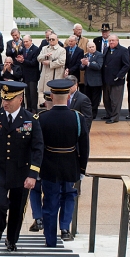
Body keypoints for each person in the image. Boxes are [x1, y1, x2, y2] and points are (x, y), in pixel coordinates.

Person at [0, 81, 44, 252]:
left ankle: (11, 240)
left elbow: (38, 148)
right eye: (3, 99)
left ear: (20, 99)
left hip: (21, 170)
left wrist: (32, 174)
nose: (5, 103)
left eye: (9, 99)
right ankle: (1, 224)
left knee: (17, 207)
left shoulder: (30, 119)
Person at [39, 79, 89, 246]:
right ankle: (65, 228)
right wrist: (82, 168)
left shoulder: (42, 118)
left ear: (51, 96)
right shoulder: (77, 117)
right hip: (71, 164)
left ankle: (50, 239)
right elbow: (84, 146)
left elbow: (37, 146)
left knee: (50, 201)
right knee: (69, 196)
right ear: (68, 96)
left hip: (48, 165)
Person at [28, 91, 53, 233]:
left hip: (38, 161)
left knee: (35, 190)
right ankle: (47, 221)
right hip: (53, 162)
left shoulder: (38, 118)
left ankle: (38, 218)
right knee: (50, 193)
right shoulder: (67, 116)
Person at [101, 34, 130, 124]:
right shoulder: (106, 49)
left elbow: (126, 65)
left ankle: (114, 117)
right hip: (106, 79)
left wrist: (119, 75)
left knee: (115, 100)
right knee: (106, 99)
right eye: (110, 41)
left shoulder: (123, 50)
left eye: (113, 40)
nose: (111, 42)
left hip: (117, 80)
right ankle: (109, 114)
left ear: (117, 41)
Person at [37, 33, 66, 106]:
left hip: (56, 75)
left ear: (57, 40)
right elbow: (39, 58)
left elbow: (62, 62)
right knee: (47, 95)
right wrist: (44, 56)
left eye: (53, 39)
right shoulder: (45, 48)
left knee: (56, 94)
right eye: (49, 39)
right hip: (46, 74)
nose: (51, 41)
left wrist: (50, 63)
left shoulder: (62, 50)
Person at [16, 35, 40, 114]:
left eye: (27, 41)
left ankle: (34, 109)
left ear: (31, 41)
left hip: (33, 75)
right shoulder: (23, 49)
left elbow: (34, 62)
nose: (25, 43)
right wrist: (20, 59)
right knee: (27, 93)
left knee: (33, 93)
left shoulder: (36, 49)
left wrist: (23, 61)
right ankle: (28, 108)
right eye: (24, 42)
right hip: (25, 74)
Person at [80, 42, 104, 120]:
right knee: (88, 99)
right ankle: (88, 113)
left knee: (95, 100)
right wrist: (83, 64)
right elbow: (81, 68)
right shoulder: (86, 55)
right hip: (87, 82)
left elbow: (98, 66)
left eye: (93, 46)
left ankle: (93, 114)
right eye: (90, 47)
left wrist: (88, 63)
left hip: (96, 82)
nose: (92, 48)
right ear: (87, 48)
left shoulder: (99, 55)